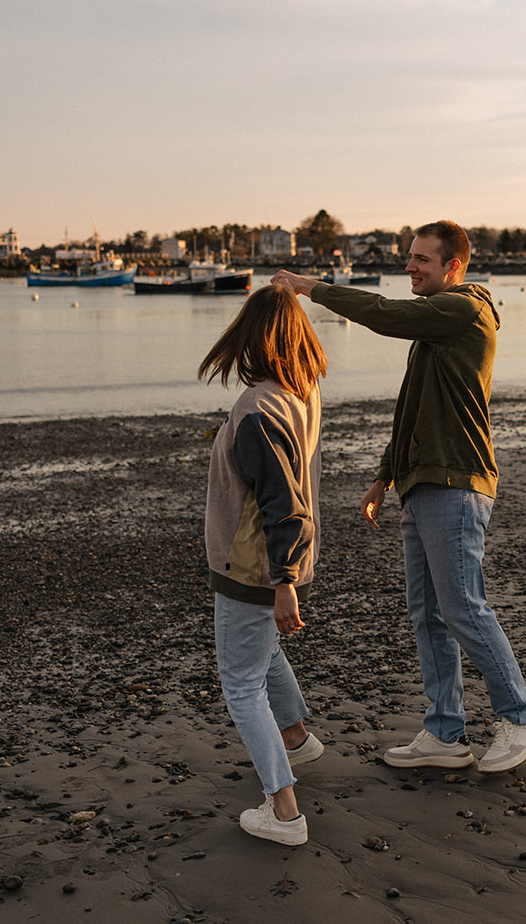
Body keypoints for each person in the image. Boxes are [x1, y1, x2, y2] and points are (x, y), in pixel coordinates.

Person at [272, 222, 526, 774]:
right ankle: (445, 733)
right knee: (428, 613)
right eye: (409, 257)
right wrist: (383, 476)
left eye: (422, 259)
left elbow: (384, 314)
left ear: (454, 266)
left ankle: (520, 719)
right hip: (421, 485)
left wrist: (311, 288)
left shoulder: (464, 310)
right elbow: (411, 408)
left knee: (463, 606)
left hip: (457, 484)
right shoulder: (435, 329)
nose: (410, 267)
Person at [199, 285, 328, 845]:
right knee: (260, 652)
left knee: (240, 684)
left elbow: (283, 505)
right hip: (267, 564)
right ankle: (297, 736)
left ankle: (284, 811)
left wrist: (284, 583)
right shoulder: (302, 391)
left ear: (255, 339)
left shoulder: (257, 408)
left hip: (251, 566)